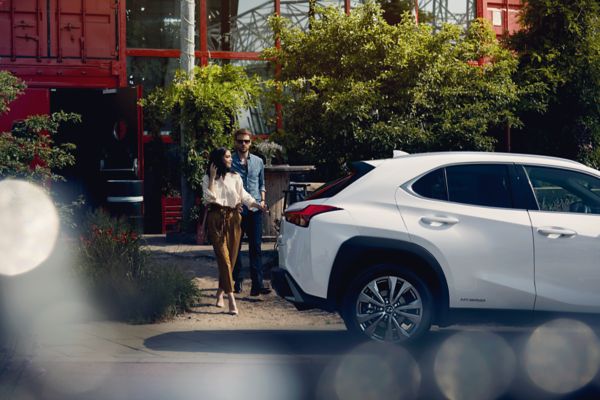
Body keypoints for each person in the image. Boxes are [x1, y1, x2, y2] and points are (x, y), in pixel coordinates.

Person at [202, 147, 265, 315]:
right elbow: (209, 199)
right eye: (228, 157)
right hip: (216, 219)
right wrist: (212, 179)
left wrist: (256, 204)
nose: (231, 159)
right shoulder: (208, 178)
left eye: (230, 156)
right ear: (219, 159)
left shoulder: (235, 177)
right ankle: (231, 300)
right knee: (224, 259)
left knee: (231, 257)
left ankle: (220, 293)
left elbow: (243, 195)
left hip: (234, 219)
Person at [231, 129, 272, 296]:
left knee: (256, 246)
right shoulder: (229, 161)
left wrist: (262, 200)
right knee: (236, 246)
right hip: (238, 209)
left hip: (255, 208)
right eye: (240, 141)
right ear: (235, 142)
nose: (243, 144)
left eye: (246, 141)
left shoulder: (258, 161)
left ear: (251, 143)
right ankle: (237, 280)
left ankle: (257, 284)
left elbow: (262, 184)